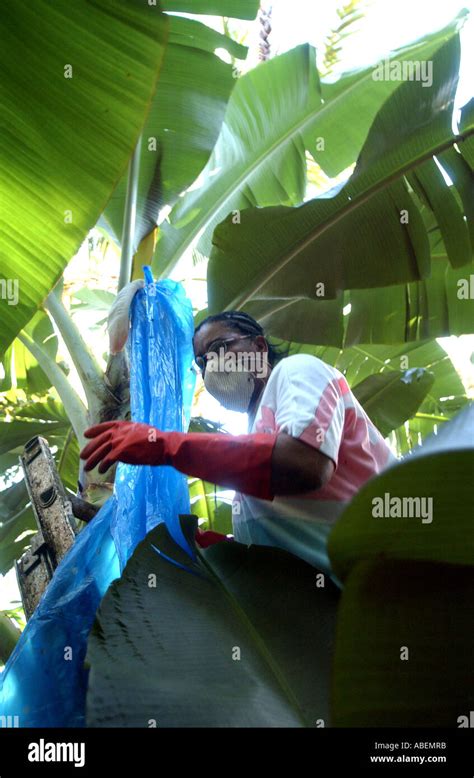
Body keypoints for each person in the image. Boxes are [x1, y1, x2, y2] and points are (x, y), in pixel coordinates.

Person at [80, 311, 396, 583]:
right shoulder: (254, 436)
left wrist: (166, 446)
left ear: (258, 346)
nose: (210, 366)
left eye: (219, 348)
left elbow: (306, 464)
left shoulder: (296, 371)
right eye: (202, 362)